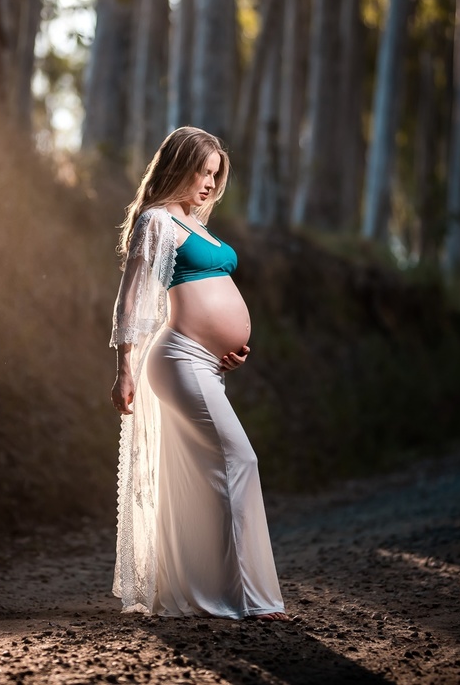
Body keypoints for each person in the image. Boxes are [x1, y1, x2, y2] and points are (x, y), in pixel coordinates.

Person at [109, 126, 288, 621]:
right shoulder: (157, 221)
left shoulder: (196, 224)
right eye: (201, 171)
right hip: (179, 358)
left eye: (215, 174)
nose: (209, 183)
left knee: (202, 477)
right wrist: (124, 369)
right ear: (177, 166)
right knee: (239, 460)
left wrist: (226, 348)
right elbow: (130, 300)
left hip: (207, 362)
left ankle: (202, 588)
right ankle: (249, 598)